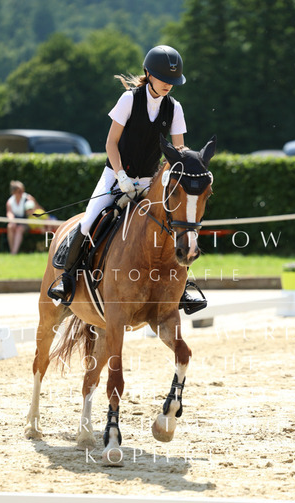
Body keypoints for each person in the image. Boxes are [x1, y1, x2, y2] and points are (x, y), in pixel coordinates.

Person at [49, 45, 207, 314]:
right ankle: (66, 279)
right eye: (163, 78)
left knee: (173, 227)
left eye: (172, 80)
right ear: (149, 74)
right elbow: (111, 143)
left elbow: (177, 153)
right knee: (89, 221)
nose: (168, 84)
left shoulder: (175, 108)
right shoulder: (129, 100)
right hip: (115, 175)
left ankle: (182, 288)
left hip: (149, 182)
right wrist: (121, 175)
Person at [6, 180, 40, 254]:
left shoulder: (28, 198)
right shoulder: (10, 202)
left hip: (27, 222)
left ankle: (14, 252)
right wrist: (12, 221)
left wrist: (32, 211)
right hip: (16, 221)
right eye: (19, 191)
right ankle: (12, 251)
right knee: (10, 226)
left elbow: (38, 210)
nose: (22, 193)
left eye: (22, 190)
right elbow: (9, 213)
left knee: (19, 229)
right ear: (13, 192)